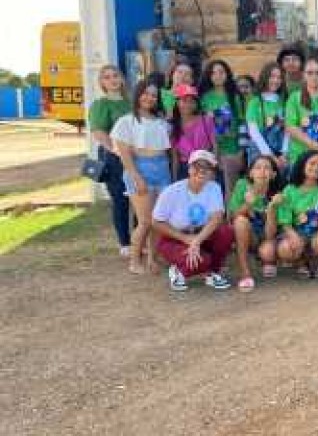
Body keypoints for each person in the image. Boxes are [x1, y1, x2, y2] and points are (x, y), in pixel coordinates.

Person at [112, 80, 172, 275]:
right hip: (140, 169)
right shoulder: (126, 121)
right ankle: (134, 261)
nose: (149, 98)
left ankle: (152, 259)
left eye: (154, 95)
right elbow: (124, 153)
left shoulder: (161, 122)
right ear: (137, 94)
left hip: (162, 170)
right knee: (145, 221)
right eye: (145, 93)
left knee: (158, 220)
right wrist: (136, 176)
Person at [152, 149, 233, 292]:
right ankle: (178, 271)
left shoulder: (214, 188)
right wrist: (185, 238)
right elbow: (156, 222)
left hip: (201, 234)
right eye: (197, 166)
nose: (202, 171)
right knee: (202, 261)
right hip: (174, 237)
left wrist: (196, 240)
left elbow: (217, 218)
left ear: (212, 173)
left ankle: (213, 272)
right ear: (189, 169)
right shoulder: (171, 191)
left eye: (207, 168)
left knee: (225, 232)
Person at [87, 64, 132, 257]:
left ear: (121, 78)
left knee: (137, 199)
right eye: (107, 77)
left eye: (115, 75)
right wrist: (117, 151)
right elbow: (99, 133)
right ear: (102, 82)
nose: (112, 80)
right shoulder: (101, 104)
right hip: (114, 158)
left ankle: (139, 238)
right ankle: (125, 242)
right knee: (120, 200)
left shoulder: (130, 102)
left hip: (135, 155)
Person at [276, 150, 318, 278]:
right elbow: (284, 220)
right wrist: (292, 235)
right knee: (285, 249)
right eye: (312, 163)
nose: (316, 168)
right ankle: (301, 263)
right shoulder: (289, 190)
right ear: (302, 164)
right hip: (298, 231)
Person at [229, 154, 281, 290]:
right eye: (257, 168)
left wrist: (271, 210)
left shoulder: (277, 193)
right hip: (249, 235)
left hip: (267, 237)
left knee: (268, 251)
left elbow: (270, 235)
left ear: (273, 175)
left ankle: (268, 260)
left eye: (267, 168)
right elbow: (233, 217)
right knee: (240, 221)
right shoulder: (242, 185)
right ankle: (245, 272)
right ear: (251, 173)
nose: (262, 172)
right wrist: (248, 205)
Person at [198, 59, 245, 198]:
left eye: (221, 72)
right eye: (213, 73)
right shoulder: (204, 97)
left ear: (227, 74)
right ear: (208, 76)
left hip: (232, 150)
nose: (217, 76)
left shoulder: (235, 97)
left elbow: (242, 124)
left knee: (231, 191)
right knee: (210, 190)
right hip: (210, 150)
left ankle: (230, 213)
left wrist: (242, 151)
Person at [246, 61, 288, 171]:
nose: (276, 80)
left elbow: (288, 130)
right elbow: (254, 132)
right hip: (259, 152)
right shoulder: (254, 102)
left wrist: (284, 153)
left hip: (280, 154)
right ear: (265, 77)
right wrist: (270, 156)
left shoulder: (284, 102)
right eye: (272, 76)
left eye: (279, 77)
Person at [169, 84, 216, 179]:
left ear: (196, 104)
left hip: (205, 166)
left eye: (192, 101)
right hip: (184, 169)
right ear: (177, 103)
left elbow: (215, 146)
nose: (188, 104)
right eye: (184, 100)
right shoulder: (173, 126)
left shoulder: (206, 120)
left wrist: (212, 169)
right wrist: (174, 178)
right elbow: (175, 157)